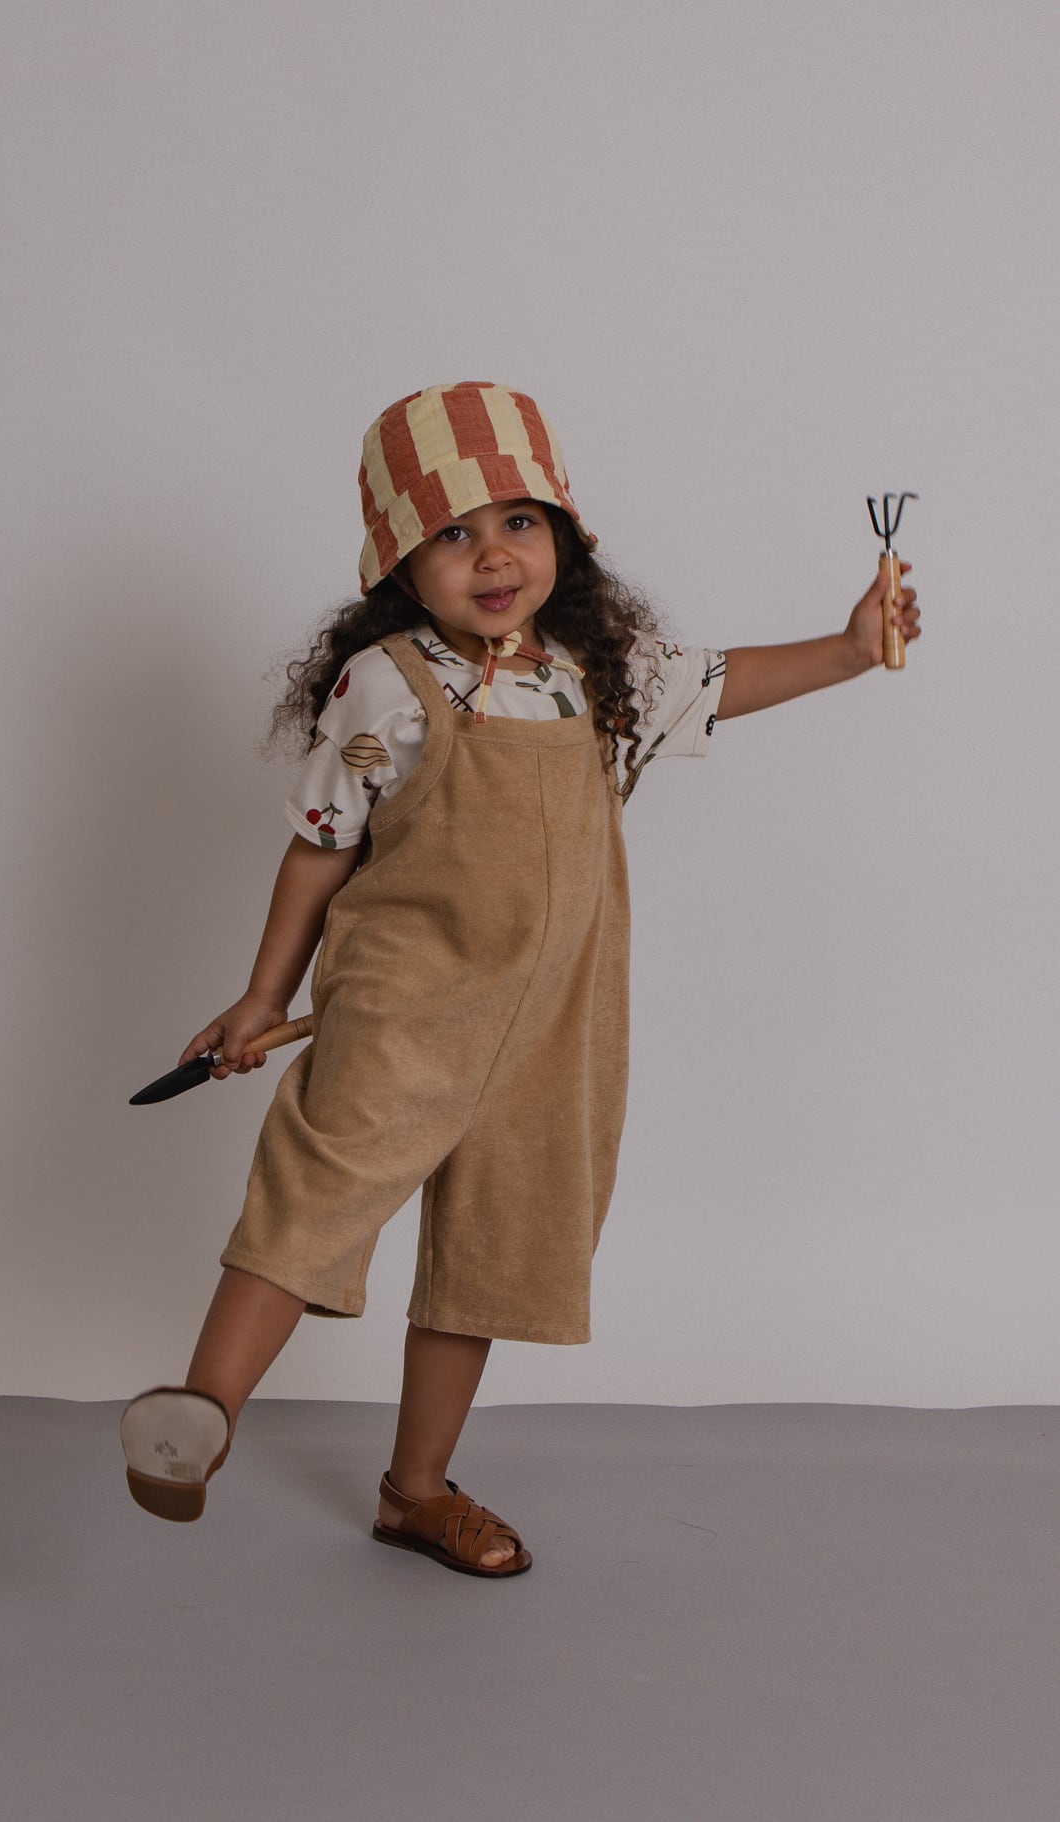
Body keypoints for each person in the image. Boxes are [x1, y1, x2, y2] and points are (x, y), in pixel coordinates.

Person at [120, 381, 921, 1578]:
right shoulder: (386, 681)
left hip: (554, 1018)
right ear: (401, 564)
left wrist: (852, 648)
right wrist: (260, 999)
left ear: (562, 536)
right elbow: (319, 848)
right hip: (405, 1002)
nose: (491, 555)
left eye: (517, 522)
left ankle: (415, 1493)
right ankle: (201, 1416)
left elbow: (720, 680)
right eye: (452, 533)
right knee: (313, 1190)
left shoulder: (597, 671)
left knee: (489, 1252)